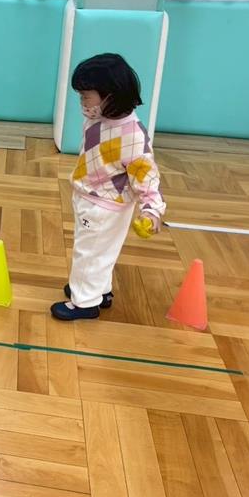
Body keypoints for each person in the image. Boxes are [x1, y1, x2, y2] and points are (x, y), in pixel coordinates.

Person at [52, 53, 166, 321]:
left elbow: (146, 175)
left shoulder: (132, 136)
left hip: (104, 204)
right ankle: (98, 291)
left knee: (89, 252)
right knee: (100, 249)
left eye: (86, 96)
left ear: (110, 96)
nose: (82, 102)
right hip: (91, 194)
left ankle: (84, 303)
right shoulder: (98, 118)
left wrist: (152, 209)